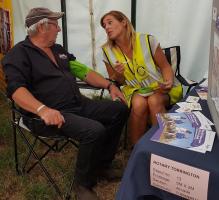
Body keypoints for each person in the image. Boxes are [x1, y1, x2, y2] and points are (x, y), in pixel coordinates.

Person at [2, 7, 128, 200]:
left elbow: (83, 72)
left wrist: (110, 85)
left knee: (119, 109)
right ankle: (82, 185)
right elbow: (16, 90)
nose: (59, 30)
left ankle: (102, 166)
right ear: (43, 27)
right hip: (47, 115)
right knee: (94, 130)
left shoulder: (58, 50)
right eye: (55, 25)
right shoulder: (18, 54)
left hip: (78, 104)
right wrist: (42, 109)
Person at [100, 10, 183, 145]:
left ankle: (164, 146)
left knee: (154, 100)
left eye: (110, 22)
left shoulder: (147, 40)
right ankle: (136, 149)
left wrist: (168, 81)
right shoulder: (107, 51)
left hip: (159, 87)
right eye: (104, 26)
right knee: (139, 103)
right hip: (134, 89)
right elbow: (117, 81)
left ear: (124, 22)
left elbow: (165, 67)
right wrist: (119, 74)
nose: (107, 27)